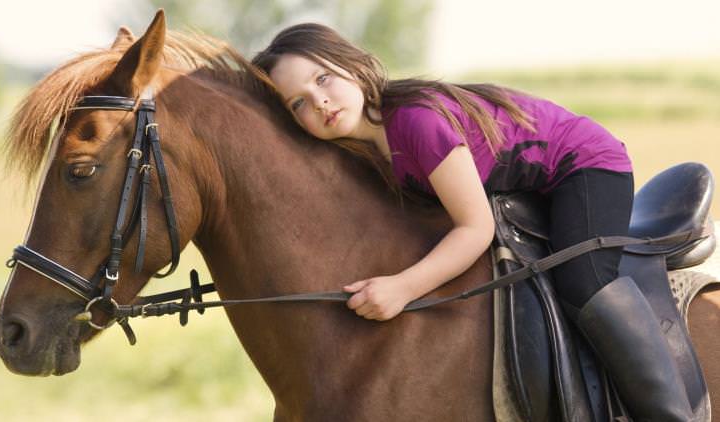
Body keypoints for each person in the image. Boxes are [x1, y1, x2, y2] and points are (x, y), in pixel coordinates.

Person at [252, 23, 695, 421]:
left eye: (322, 78)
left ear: (352, 65)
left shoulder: (415, 122)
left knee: (583, 281)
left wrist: (403, 287)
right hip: (528, 182)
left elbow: (475, 228)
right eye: (298, 104)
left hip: (583, 164)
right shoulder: (362, 151)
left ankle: (668, 413)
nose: (320, 101)